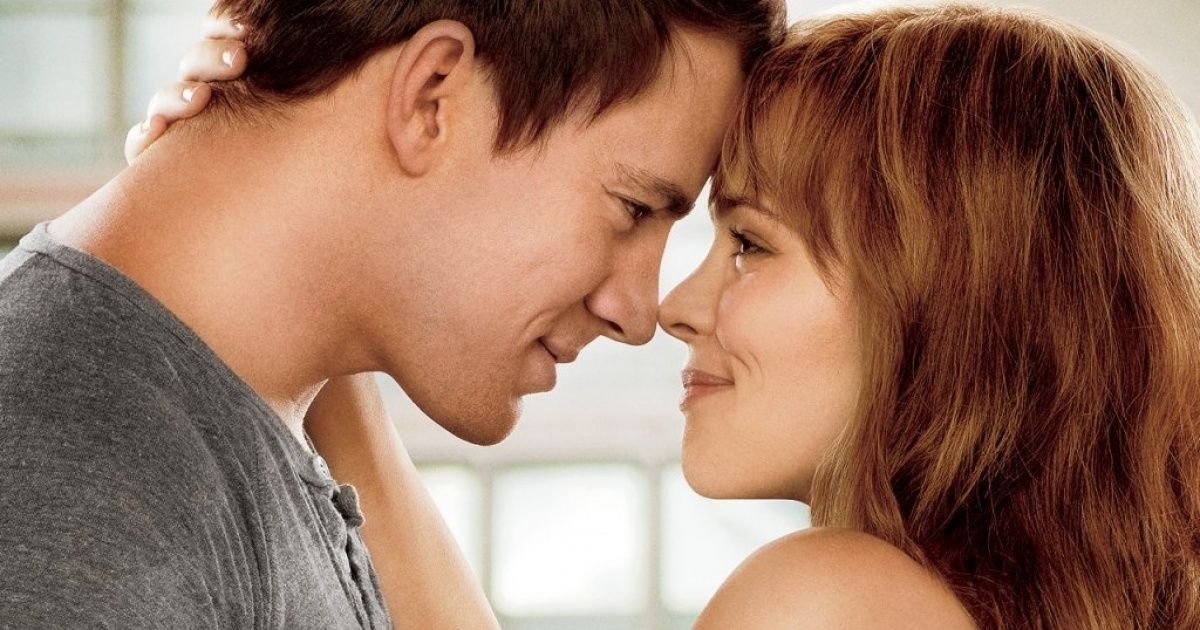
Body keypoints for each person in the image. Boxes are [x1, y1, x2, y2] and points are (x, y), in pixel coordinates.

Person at [147, 3, 1200, 628]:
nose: (676, 309)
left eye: (750, 243)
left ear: (947, 300)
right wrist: (319, 273)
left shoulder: (829, 601)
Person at [0, 1, 785, 628]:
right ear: (432, 96)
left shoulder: (218, 429)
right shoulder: (76, 487)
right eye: (634, 208)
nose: (638, 315)